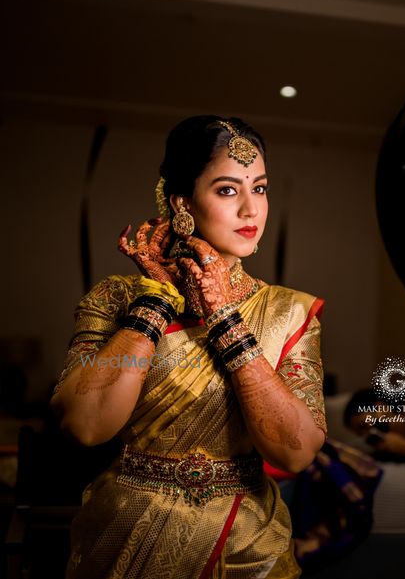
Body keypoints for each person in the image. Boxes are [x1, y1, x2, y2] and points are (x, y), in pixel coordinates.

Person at [51, 116, 327, 579]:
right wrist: (155, 302)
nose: (250, 210)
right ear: (182, 202)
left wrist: (223, 318)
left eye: (259, 188)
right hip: (127, 536)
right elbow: (85, 425)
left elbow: (296, 452)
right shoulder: (116, 298)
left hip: (248, 545)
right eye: (226, 190)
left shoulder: (289, 312)